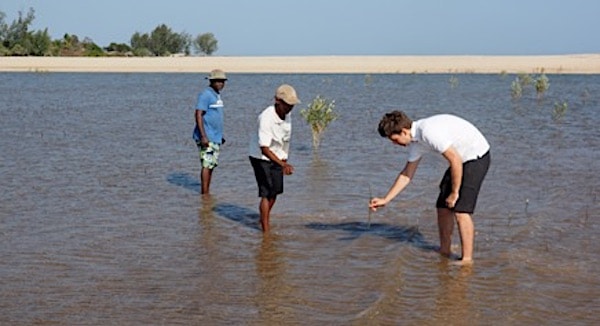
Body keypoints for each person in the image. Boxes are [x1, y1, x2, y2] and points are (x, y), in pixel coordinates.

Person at [369, 111, 490, 264]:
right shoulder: (416, 142)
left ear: (404, 131)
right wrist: (386, 199)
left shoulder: (428, 133)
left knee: (460, 210)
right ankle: (444, 250)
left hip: (476, 156)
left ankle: (467, 260)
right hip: (460, 160)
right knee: (443, 206)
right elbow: (407, 174)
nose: (395, 144)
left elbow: (455, 159)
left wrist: (454, 192)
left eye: (395, 140)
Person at [249, 84, 301, 233]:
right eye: (287, 104)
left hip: (277, 156)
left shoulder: (288, 116)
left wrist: (284, 160)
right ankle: (265, 231)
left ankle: (263, 217)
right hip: (260, 157)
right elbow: (264, 148)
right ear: (277, 101)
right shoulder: (266, 118)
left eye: (292, 105)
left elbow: (285, 140)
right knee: (266, 192)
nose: (290, 108)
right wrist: (283, 165)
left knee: (275, 191)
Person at [193, 69, 227, 195]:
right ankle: (205, 194)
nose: (220, 84)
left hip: (215, 137)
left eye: (222, 81)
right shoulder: (206, 95)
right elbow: (198, 114)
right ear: (211, 81)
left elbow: (215, 116)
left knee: (212, 164)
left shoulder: (216, 94)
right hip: (207, 137)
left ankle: (207, 191)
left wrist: (220, 135)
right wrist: (203, 136)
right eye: (217, 81)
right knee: (207, 164)